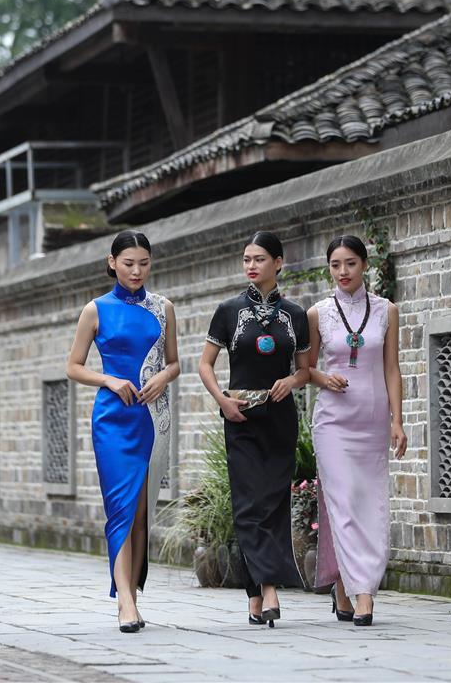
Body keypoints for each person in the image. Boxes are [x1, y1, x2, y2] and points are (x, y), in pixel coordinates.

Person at [67, 230, 179, 633]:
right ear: (112, 262)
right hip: (112, 419)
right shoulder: (95, 310)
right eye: (129, 263)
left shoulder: (162, 307)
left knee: (141, 511)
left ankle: (132, 589)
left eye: (144, 263)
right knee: (121, 509)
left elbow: (175, 363)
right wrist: (110, 381)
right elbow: (74, 366)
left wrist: (164, 378)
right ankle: (125, 603)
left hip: (151, 416)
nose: (137, 270)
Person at [199, 231, 310, 627]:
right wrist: (222, 401)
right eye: (246, 258)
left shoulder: (295, 315)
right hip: (240, 418)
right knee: (248, 507)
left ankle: (255, 597)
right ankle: (268, 590)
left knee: (273, 505)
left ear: (278, 263)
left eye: (259, 258)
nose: (251, 265)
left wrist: (293, 382)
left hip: (279, 419)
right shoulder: (228, 311)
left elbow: (304, 369)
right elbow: (205, 365)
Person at [307, 235, 407, 626]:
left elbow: (392, 369)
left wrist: (397, 420)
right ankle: (363, 592)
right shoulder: (318, 313)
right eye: (335, 265)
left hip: (372, 419)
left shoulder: (387, 311)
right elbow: (305, 368)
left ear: (364, 265)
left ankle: (345, 587)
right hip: (332, 421)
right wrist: (322, 378)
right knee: (344, 502)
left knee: (370, 503)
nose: (343, 272)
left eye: (350, 263)